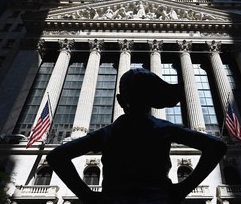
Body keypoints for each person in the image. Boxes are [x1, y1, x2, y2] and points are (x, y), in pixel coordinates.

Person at [46, 68, 227, 204]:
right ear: (153, 100)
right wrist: (182, 189)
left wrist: (88, 197)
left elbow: (57, 156)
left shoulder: (109, 133)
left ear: (119, 100)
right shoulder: (163, 128)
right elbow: (217, 147)